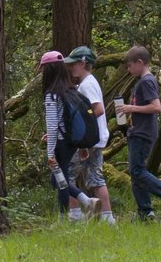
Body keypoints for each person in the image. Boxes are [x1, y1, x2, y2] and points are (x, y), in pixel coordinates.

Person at [114, 45, 161, 221]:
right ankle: (145, 212)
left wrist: (130, 108)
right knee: (136, 173)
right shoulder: (142, 82)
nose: (128, 70)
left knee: (137, 171)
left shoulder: (147, 81)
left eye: (129, 66)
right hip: (136, 131)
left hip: (143, 133)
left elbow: (156, 107)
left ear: (140, 62)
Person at [40, 51, 99, 219]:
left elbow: (52, 126)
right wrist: (82, 145)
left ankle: (63, 217)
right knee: (58, 179)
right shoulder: (70, 90)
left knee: (61, 179)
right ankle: (88, 202)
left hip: (61, 144)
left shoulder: (52, 95)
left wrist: (50, 153)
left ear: (48, 70)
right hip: (70, 143)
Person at [63, 46, 116, 225]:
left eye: (74, 64)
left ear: (83, 63)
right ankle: (108, 218)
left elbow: (98, 109)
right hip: (95, 138)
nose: (71, 68)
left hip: (89, 138)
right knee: (95, 178)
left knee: (66, 173)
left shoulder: (88, 84)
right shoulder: (86, 83)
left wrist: (81, 128)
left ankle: (75, 214)